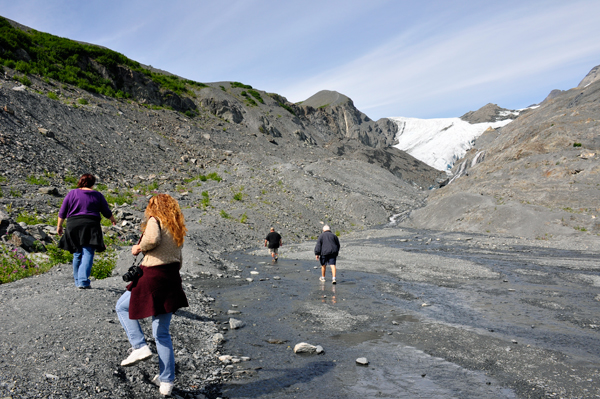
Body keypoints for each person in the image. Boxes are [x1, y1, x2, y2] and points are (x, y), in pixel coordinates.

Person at [115, 194, 188, 397]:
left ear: (154, 207)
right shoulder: (175, 227)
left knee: (121, 306)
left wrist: (138, 247)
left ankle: (139, 346)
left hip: (153, 275)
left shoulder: (155, 220)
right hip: (172, 278)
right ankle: (166, 382)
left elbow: (152, 239)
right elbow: (179, 258)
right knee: (162, 333)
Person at [57, 173, 116, 289]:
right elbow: (105, 211)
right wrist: (112, 219)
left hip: (73, 224)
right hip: (91, 225)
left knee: (77, 253)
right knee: (88, 252)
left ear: (80, 181)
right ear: (93, 183)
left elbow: (63, 211)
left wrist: (59, 225)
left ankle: (78, 281)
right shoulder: (97, 195)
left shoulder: (72, 193)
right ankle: (83, 281)